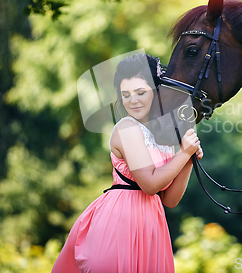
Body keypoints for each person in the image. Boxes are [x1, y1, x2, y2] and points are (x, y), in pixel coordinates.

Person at [52, 53, 202, 273]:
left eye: (141, 92)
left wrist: (188, 160)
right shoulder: (127, 128)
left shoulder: (164, 136)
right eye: (126, 94)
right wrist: (182, 153)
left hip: (152, 223)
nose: (133, 101)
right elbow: (150, 185)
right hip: (120, 220)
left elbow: (169, 200)